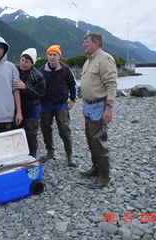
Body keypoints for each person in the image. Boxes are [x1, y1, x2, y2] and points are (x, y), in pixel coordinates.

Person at [79, 33, 117, 189]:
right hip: (88, 106)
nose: (84, 45)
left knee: (99, 142)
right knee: (90, 139)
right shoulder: (88, 61)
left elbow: (111, 84)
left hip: (99, 106)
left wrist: (109, 108)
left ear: (96, 43)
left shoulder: (105, 59)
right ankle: (96, 168)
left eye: (86, 43)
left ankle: (104, 177)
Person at [39, 45, 77, 167]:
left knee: (64, 129)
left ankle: (69, 156)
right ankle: (50, 152)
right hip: (45, 105)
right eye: (50, 54)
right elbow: (37, 87)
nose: (52, 57)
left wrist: (72, 99)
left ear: (59, 56)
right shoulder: (41, 71)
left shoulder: (66, 69)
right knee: (45, 129)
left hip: (61, 104)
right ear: (47, 56)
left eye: (54, 54)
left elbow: (73, 85)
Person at [13, 48, 46, 158]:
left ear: (32, 63)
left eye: (27, 61)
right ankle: (18, 157)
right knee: (16, 134)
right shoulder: (14, 71)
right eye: (22, 60)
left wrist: (25, 88)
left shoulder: (38, 75)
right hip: (16, 109)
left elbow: (40, 94)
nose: (24, 63)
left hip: (32, 109)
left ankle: (32, 157)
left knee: (31, 135)